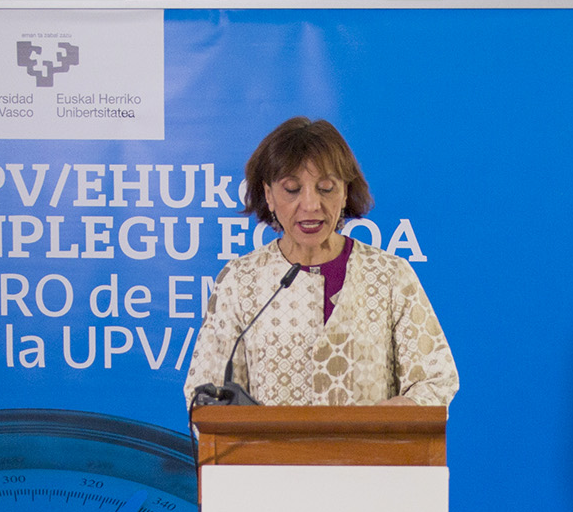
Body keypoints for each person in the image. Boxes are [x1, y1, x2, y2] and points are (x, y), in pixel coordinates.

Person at [183, 117, 458, 409]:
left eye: (326, 188)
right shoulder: (241, 280)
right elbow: (207, 393)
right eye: (292, 189)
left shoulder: (389, 275)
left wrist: (406, 408)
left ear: (345, 192)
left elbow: (436, 379)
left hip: (370, 441)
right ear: (269, 195)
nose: (311, 205)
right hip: (270, 443)